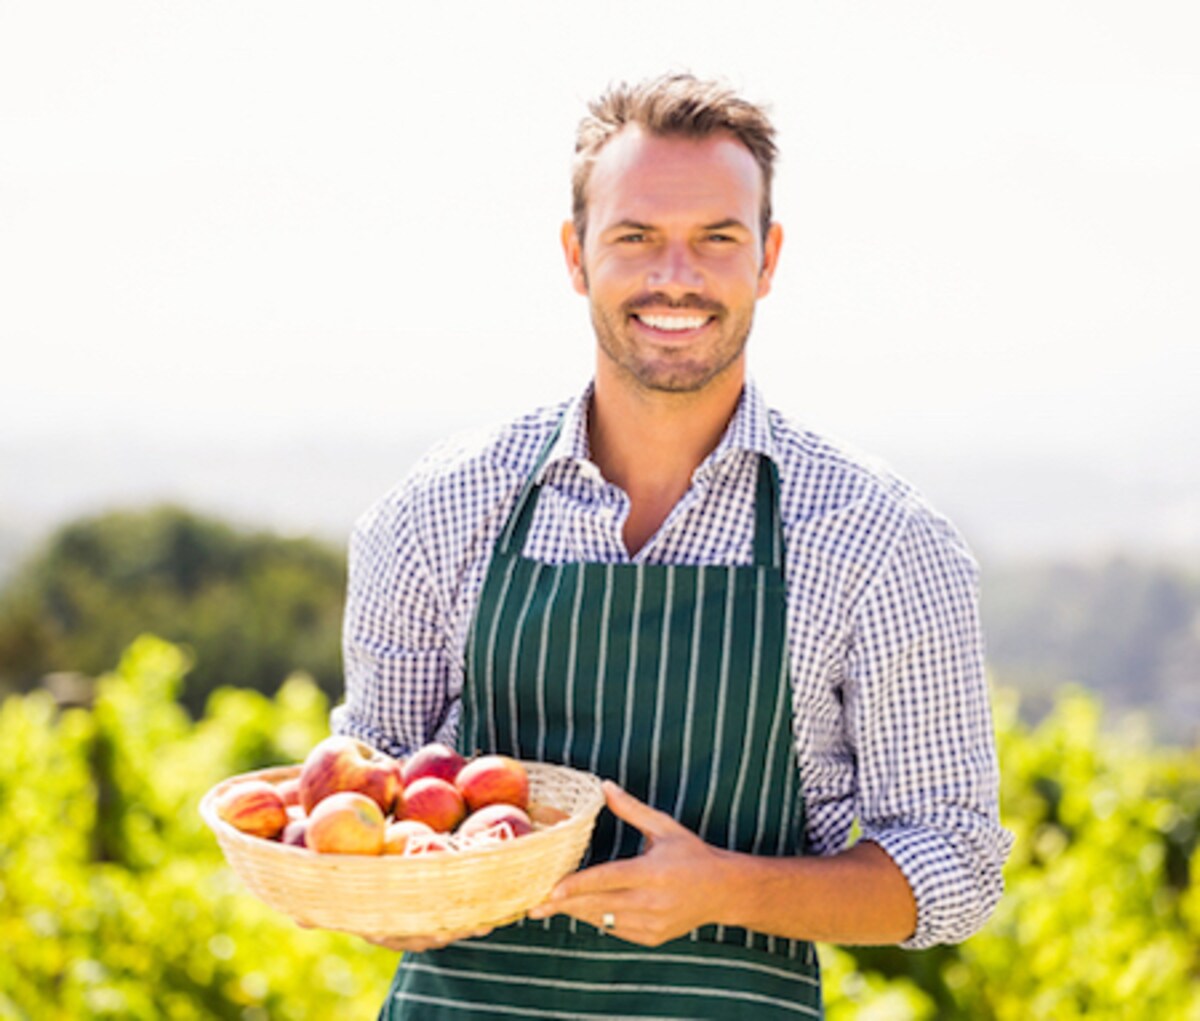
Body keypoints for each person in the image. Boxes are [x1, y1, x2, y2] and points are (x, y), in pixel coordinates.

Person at [331, 72, 1012, 1019]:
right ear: (576, 255)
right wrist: (389, 890)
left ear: (768, 259)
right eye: (636, 236)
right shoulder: (438, 512)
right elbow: (369, 794)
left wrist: (728, 888)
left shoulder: (883, 542)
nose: (677, 275)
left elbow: (955, 863)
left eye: (717, 238)